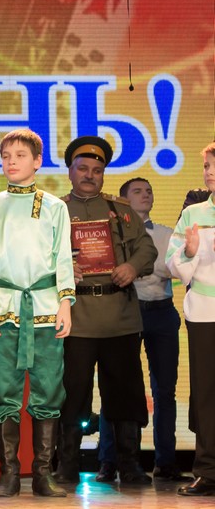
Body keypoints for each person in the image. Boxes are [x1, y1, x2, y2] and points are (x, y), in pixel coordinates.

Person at [0, 129, 74, 498]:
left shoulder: (54, 206)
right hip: (4, 308)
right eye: (6, 156)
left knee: (48, 390)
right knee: (5, 391)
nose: (12, 161)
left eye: (20, 155)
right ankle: (9, 474)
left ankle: (43, 473)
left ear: (37, 161)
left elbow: (63, 258)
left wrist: (65, 303)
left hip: (45, 308)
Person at [56, 136, 156, 486]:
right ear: (70, 172)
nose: (89, 175)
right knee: (72, 394)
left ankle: (129, 464)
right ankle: (67, 465)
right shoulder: (56, 210)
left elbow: (147, 249)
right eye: (82, 169)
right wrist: (61, 269)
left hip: (120, 317)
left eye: (96, 170)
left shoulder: (121, 210)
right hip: (76, 317)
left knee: (125, 394)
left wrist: (132, 266)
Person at [96, 177, 187, 482]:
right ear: (124, 200)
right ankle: (109, 461)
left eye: (149, 191)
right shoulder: (112, 233)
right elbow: (123, 270)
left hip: (162, 312)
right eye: (137, 191)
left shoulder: (166, 233)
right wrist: (149, 267)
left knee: (165, 390)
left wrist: (141, 267)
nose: (145, 195)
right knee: (117, 387)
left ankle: (166, 462)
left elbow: (171, 270)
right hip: (126, 311)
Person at [166, 142, 215, 497]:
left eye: (214, 166)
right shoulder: (193, 213)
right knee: (206, 393)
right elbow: (172, 264)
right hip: (204, 311)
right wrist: (190, 250)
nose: (209, 172)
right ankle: (208, 471)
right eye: (207, 166)